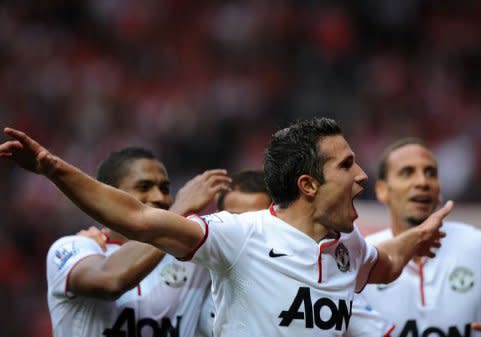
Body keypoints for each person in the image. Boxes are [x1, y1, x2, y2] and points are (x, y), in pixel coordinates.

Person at [0, 117, 453, 337]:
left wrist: (416, 236)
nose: (361, 178)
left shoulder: (348, 245)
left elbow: (385, 261)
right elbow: (138, 221)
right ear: (308, 184)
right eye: (348, 165)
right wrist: (53, 168)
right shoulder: (240, 236)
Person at [45, 146, 231, 337]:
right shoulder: (71, 249)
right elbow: (110, 282)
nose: (159, 197)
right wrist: (179, 209)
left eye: (165, 188)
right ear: (108, 196)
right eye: (144, 187)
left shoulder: (191, 257)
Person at [199, 169, 393, 337]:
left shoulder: (321, 285)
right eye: (237, 219)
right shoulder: (192, 277)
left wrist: (419, 235)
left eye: (255, 220)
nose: (242, 233)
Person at [361, 138, 481, 337]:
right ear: (381, 190)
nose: (422, 182)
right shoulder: (363, 258)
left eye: (430, 173)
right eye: (407, 172)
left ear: (438, 190)